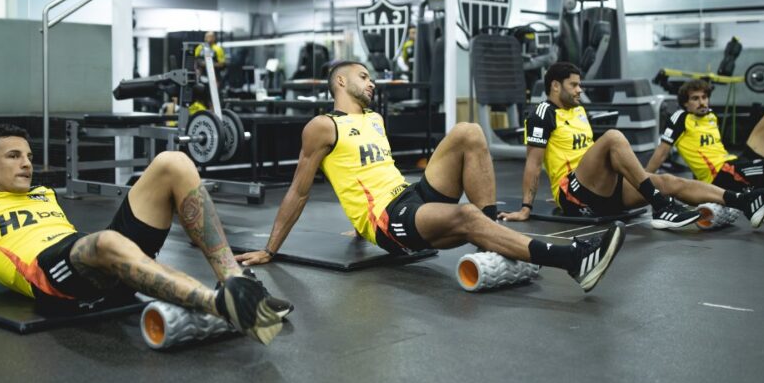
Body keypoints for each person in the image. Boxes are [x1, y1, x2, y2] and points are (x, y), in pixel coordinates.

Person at [235, 61, 625, 293]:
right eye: (364, 76)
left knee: (468, 132)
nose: (372, 83)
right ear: (341, 82)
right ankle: (573, 260)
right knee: (467, 215)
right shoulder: (322, 126)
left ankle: (496, 241)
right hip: (389, 221)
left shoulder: (374, 118)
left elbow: (366, 173)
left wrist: (355, 226)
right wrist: (271, 248)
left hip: (410, 195)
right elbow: (299, 192)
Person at [0, 125, 285, 344]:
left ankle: (235, 282)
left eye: (28, 156)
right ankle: (223, 306)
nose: (27, 163)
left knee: (172, 161)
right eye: (14, 156)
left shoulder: (45, 192)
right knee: (106, 241)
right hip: (48, 276)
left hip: (91, 262)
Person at [498, 62, 764, 229]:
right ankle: (660, 206)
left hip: (597, 187)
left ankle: (744, 201)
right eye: (574, 85)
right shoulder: (541, 113)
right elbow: (534, 164)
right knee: (613, 137)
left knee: (668, 180)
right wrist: (526, 207)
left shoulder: (579, 111)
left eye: (579, 84)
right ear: (555, 86)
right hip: (573, 194)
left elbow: (587, 156)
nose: (579, 89)